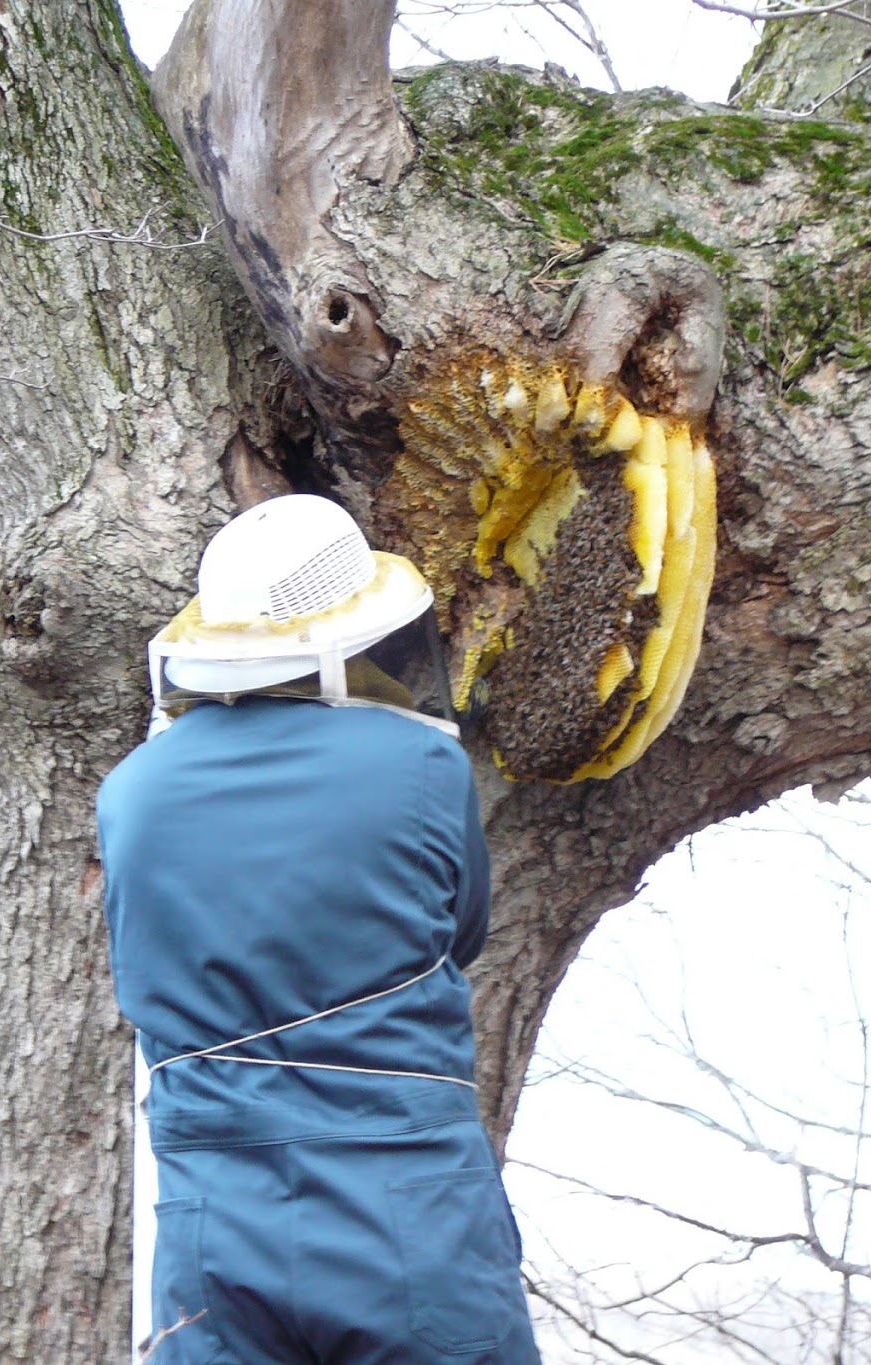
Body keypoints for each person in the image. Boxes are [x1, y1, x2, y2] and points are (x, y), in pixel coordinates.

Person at [97, 494, 542, 1364]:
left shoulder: (131, 788)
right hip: (406, 1198)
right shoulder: (419, 761)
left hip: (211, 1217)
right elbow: (465, 930)